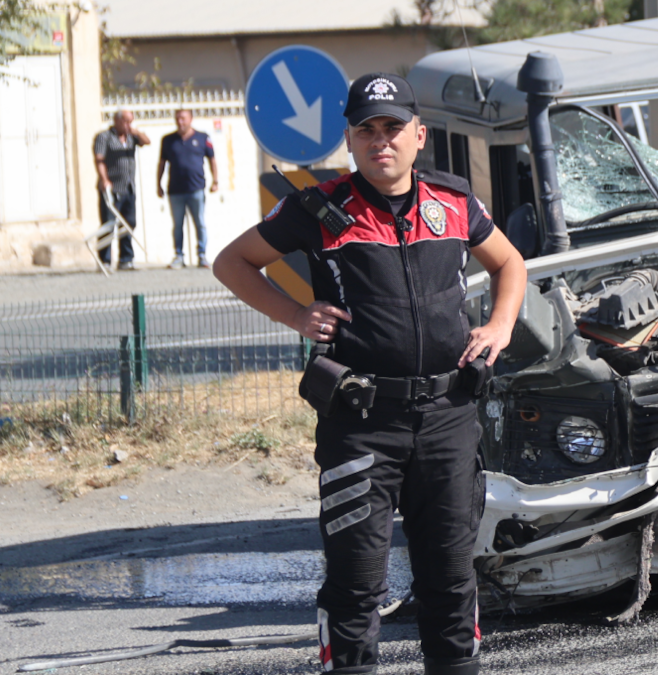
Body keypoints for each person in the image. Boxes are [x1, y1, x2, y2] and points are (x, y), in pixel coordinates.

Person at [213, 72, 526, 675]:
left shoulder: (455, 201)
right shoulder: (319, 208)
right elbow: (234, 263)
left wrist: (501, 326)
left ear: (419, 134)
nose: (381, 141)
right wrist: (297, 313)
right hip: (360, 424)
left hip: (448, 419)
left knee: (451, 578)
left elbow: (510, 262)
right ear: (350, 140)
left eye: (392, 128)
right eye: (366, 130)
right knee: (357, 585)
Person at [157, 109, 218, 269]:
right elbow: (162, 163)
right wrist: (158, 184)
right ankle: (178, 256)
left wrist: (215, 181)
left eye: (183, 118)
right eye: (178, 119)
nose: (180, 122)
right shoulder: (168, 140)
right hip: (175, 190)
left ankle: (202, 255)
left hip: (196, 188)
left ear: (190, 119)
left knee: (199, 222)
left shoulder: (202, 138)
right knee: (178, 224)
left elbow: (212, 159)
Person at [93, 110, 151, 270]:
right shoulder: (104, 137)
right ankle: (104, 260)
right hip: (112, 187)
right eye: (125, 121)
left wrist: (135, 132)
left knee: (129, 223)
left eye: (130, 121)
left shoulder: (132, 136)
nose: (127, 125)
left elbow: (147, 141)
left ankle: (126, 258)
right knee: (109, 224)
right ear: (116, 121)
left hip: (129, 186)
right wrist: (104, 180)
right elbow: (99, 159)